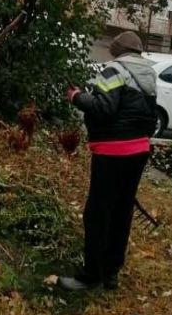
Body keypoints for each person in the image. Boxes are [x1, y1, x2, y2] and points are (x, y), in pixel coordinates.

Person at [59, 30, 156, 292]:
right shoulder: (148, 74)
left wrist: (76, 97)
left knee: (97, 213)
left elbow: (104, 108)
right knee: (121, 212)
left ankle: (90, 276)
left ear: (117, 50)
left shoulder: (114, 70)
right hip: (139, 152)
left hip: (113, 152)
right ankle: (111, 272)